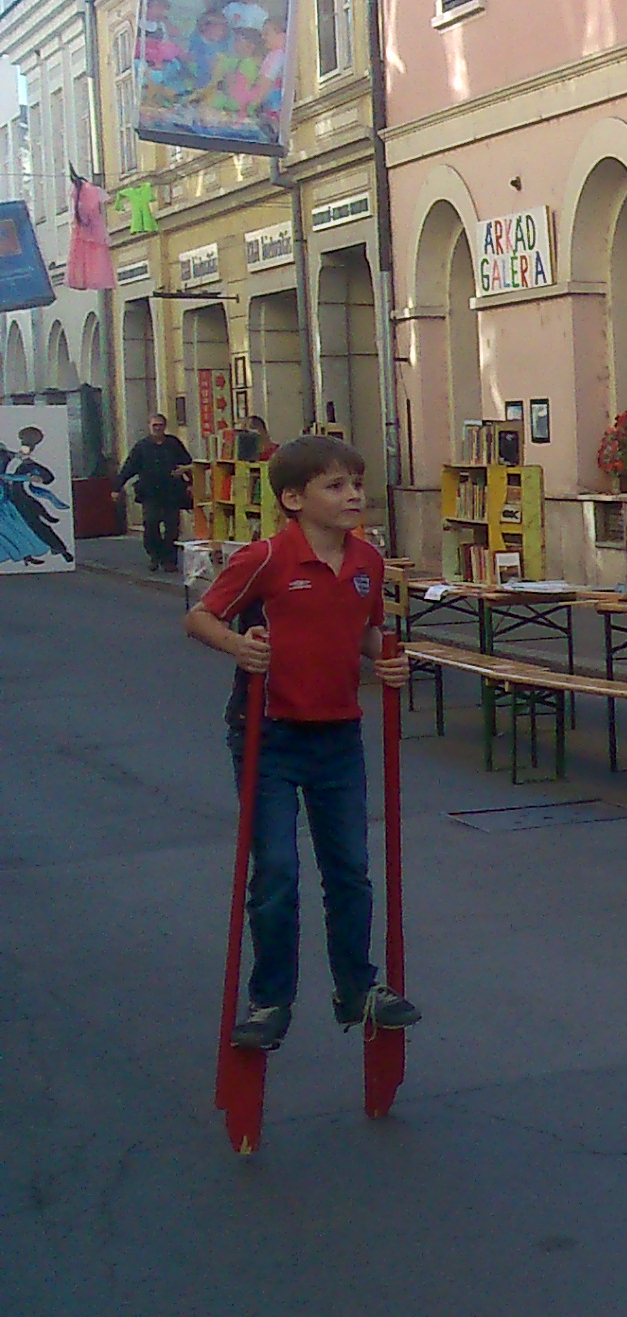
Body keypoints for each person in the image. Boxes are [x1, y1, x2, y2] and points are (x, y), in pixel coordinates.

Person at [183, 435, 420, 1051]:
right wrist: (239, 647)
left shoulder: (367, 561)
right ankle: (270, 999)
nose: (353, 496)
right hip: (270, 733)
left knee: (350, 871)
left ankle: (356, 987)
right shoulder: (266, 558)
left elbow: (364, 631)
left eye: (356, 484)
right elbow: (201, 616)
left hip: (338, 733)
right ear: (294, 499)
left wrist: (387, 659)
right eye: (335, 486)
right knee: (278, 874)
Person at [119, 413, 196, 573]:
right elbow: (129, 467)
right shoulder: (142, 447)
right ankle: (155, 555)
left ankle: (169, 560)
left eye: (160, 425)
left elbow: (187, 464)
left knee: (172, 527)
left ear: (164, 426)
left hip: (172, 492)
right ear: (149, 426)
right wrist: (116, 487)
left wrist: (191, 483)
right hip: (150, 493)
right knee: (151, 525)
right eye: (154, 425)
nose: (157, 428)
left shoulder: (173, 444)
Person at [1, 424, 71, 566]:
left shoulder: (24, 461)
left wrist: (37, 477)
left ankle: (59, 549)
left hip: (19, 500)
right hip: (5, 501)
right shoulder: (7, 457)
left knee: (35, 524)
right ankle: (25, 555)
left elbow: (48, 477)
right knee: (11, 529)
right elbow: (5, 475)